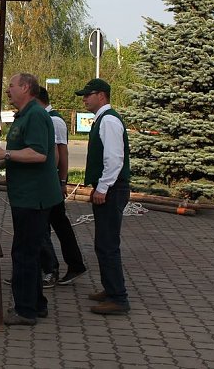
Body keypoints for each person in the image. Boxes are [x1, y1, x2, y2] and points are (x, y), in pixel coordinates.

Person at [0, 73, 62, 326]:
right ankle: (37, 304)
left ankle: (25, 310)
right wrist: (2, 154)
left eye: (11, 86)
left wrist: (3, 153)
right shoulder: (25, 115)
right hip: (27, 196)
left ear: (26, 87)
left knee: (24, 253)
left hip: (34, 197)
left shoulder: (36, 115)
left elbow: (38, 154)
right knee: (31, 251)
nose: (7, 90)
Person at [75, 78, 131, 315]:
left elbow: (114, 158)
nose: (85, 99)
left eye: (89, 95)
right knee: (103, 243)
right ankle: (110, 289)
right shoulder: (104, 119)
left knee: (108, 245)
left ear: (102, 96)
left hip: (113, 189)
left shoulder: (108, 120)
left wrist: (103, 188)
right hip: (111, 188)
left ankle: (118, 298)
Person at [37, 87, 87, 288]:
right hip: (49, 183)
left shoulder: (54, 120)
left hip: (51, 183)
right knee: (57, 224)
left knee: (52, 225)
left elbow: (61, 153)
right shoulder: (45, 117)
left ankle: (55, 268)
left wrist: (62, 181)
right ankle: (70, 265)